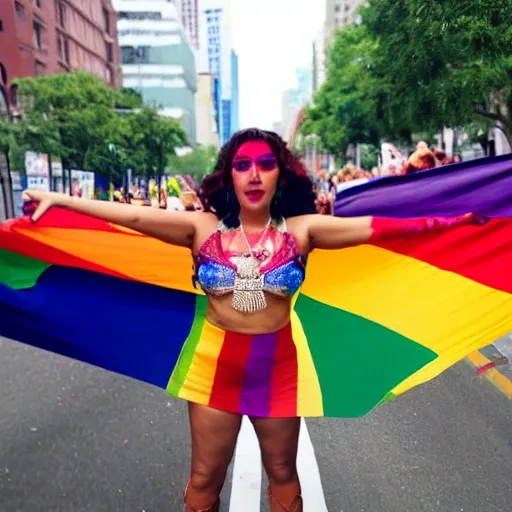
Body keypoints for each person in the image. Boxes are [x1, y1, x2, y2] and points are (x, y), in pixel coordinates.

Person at [22, 128, 478, 512]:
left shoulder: (303, 230)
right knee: (204, 476)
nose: (255, 175)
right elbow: (133, 216)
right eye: (243, 165)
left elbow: (381, 229)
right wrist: (58, 200)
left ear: (282, 174)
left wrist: (457, 221)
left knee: (282, 470)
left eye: (265, 163)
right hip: (214, 367)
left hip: (277, 368)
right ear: (229, 176)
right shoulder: (201, 228)